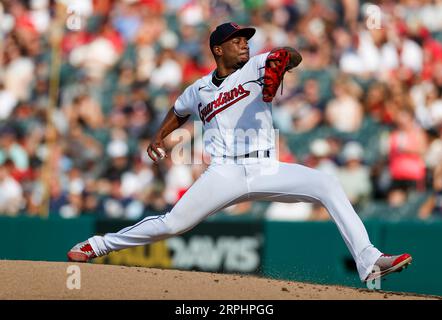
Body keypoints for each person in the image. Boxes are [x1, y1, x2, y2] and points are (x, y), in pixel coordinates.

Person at [68, 22, 412, 282]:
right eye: (236, 40)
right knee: (173, 224)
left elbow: (290, 55)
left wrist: (283, 59)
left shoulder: (256, 66)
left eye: (246, 39)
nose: (244, 44)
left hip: (266, 166)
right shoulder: (198, 88)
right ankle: (97, 246)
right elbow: (179, 109)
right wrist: (159, 136)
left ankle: (369, 260)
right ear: (218, 49)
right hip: (224, 173)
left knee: (327, 184)